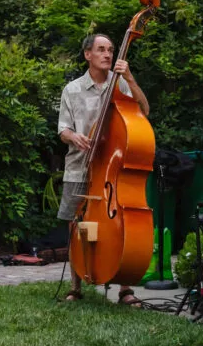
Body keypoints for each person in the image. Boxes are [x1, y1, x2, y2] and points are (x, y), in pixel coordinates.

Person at [57, 33, 150, 306]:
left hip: (113, 169)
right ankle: (75, 287)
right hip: (80, 166)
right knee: (76, 226)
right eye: (101, 50)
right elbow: (63, 128)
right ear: (87, 55)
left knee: (121, 225)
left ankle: (125, 287)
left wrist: (130, 78)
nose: (108, 55)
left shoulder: (120, 85)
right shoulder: (72, 90)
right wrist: (74, 137)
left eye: (110, 50)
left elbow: (144, 111)